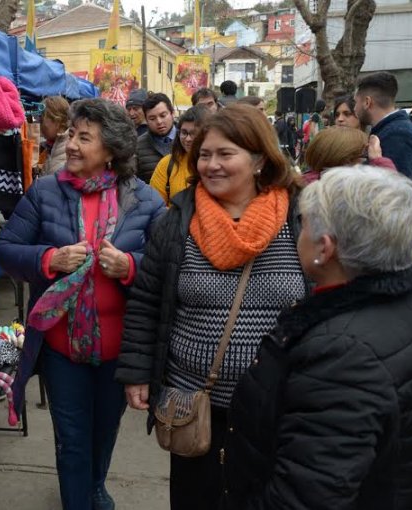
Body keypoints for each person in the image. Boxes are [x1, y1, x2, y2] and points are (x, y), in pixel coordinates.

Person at [117, 104, 307, 510]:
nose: (211, 165)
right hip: (192, 403)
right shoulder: (178, 221)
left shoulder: (299, 216)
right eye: (204, 155)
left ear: (259, 159)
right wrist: (137, 374)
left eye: (225, 154)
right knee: (196, 499)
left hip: (277, 407)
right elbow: (148, 301)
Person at [223, 166, 412, 508]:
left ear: (324, 249)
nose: (299, 230)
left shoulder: (341, 355)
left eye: (305, 223)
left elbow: (305, 495)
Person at [0, 98, 165, 510]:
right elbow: (4, 249)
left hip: (120, 352)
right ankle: (79, 499)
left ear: (110, 150)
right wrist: (47, 259)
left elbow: (168, 270)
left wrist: (128, 266)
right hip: (60, 348)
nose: (71, 144)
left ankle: (94, 485)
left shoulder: (145, 202)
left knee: (104, 431)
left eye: (83, 137)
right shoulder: (44, 192)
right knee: (71, 439)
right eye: (71, 134)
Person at [354, 72, 412, 183]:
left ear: (367, 102)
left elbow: (396, 191)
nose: (355, 108)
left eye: (355, 102)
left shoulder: (398, 135)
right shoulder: (392, 130)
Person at [149, 105, 211, 204]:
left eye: (194, 133)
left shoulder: (216, 166)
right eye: (184, 133)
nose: (188, 139)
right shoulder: (167, 164)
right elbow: (155, 206)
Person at [302, 126, 396, 183]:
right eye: (364, 155)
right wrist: (379, 160)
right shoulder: (344, 194)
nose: (365, 162)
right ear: (347, 160)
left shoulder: (308, 186)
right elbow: (394, 195)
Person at [135, 93, 176, 183]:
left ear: (172, 113)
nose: (159, 122)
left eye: (163, 115)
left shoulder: (187, 140)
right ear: (146, 120)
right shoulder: (138, 146)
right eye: (152, 118)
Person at [37, 96, 70, 176]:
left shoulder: (69, 150)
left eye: (41, 120)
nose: (40, 125)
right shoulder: (51, 147)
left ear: (57, 121)